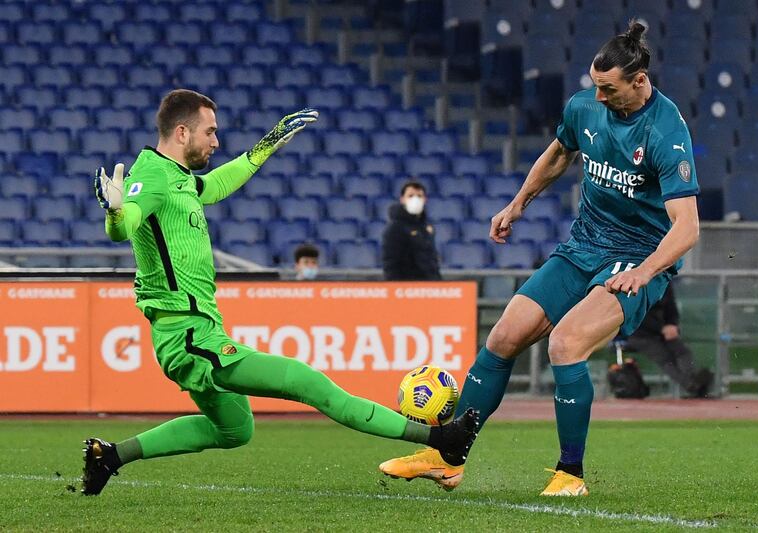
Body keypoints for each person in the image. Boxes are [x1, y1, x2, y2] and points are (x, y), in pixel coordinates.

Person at [83, 89, 477, 495]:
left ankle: (110, 455)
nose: (216, 141)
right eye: (211, 132)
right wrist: (114, 212)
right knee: (307, 382)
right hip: (186, 337)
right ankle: (439, 440)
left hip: (198, 331)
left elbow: (215, 185)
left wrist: (267, 144)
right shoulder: (150, 176)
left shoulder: (178, 177)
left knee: (235, 429)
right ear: (182, 132)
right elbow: (125, 226)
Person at [379, 21, 700, 496]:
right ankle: (447, 459)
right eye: (595, 87)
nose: (599, 98)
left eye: (608, 89)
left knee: (565, 344)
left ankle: (570, 474)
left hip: (634, 257)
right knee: (505, 335)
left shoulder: (666, 132)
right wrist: (517, 204)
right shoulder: (585, 107)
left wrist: (646, 270)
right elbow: (558, 154)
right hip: (582, 246)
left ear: (639, 81)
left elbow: (688, 226)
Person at [625, 282, 713, 398]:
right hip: (639, 334)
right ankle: (692, 385)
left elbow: (671, 307)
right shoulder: (636, 284)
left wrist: (672, 325)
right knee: (665, 358)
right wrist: (661, 328)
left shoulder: (664, 282)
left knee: (682, 351)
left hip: (662, 332)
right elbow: (636, 315)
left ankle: (692, 381)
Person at [381, 180, 441, 281]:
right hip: (407, 288)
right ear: (402, 199)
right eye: (410, 195)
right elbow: (390, 264)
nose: (415, 199)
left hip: (429, 287)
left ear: (425, 200)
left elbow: (431, 259)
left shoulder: (427, 226)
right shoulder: (395, 228)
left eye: (419, 196)